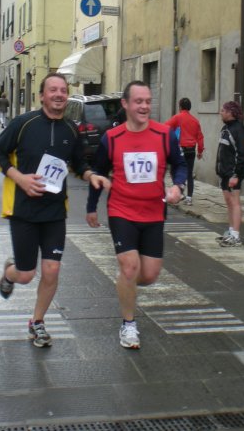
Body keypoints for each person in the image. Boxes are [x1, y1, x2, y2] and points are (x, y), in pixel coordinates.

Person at [0, 73, 110, 348]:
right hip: (23, 211)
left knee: (52, 270)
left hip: (55, 211)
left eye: (63, 90)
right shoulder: (23, 124)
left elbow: (79, 163)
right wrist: (20, 178)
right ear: (42, 95)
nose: (58, 94)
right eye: (52, 90)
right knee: (26, 274)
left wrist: (90, 175)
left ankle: (38, 323)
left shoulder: (71, 129)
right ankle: (10, 273)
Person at [86, 81, 187, 349]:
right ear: (126, 104)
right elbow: (97, 172)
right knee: (130, 266)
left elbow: (180, 164)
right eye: (138, 101)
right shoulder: (112, 137)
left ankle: (125, 284)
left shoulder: (165, 135)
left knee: (150, 275)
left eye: (147, 101)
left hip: (154, 212)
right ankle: (128, 324)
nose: (144, 106)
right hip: (121, 210)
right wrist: (91, 207)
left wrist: (177, 185)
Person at [215, 101, 244, 247]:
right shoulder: (226, 128)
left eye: (223, 110)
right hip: (225, 172)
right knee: (229, 202)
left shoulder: (239, 129)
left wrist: (236, 175)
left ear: (230, 112)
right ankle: (231, 231)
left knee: (235, 202)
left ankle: (236, 236)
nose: (221, 112)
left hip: (232, 173)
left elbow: (241, 154)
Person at [165, 98, 205, 206]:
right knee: (189, 173)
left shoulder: (177, 117)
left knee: (175, 171)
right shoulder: (195, 120)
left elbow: (165, 127)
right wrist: (200, 151)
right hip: (191, 150)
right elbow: (200, 137)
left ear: (180, 107)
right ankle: (189, 198)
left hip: (180, 150)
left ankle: (179, 192)